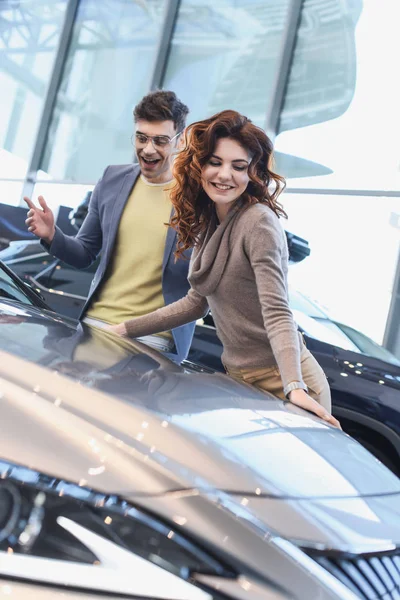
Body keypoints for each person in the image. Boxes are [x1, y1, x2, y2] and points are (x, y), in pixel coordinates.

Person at [109, 109, 340, 427]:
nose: (225, 175)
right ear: (199, 166)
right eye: (215, 162)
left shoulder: (258, 222)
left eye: (239, 166)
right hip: (241, 378)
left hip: (287, 383)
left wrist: (295, 386)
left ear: (252, 173)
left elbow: (277, 311)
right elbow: (196, 303)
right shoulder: (210, 222)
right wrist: (123, 330)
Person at [23, 90, 194, 362]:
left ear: (180, 140)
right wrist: (53, 235)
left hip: (154, 340)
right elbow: (83, 252)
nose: (148, 149)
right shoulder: (112, 179)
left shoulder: (197, 197)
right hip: (94, 325)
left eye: (160, 141)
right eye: (141, 138)